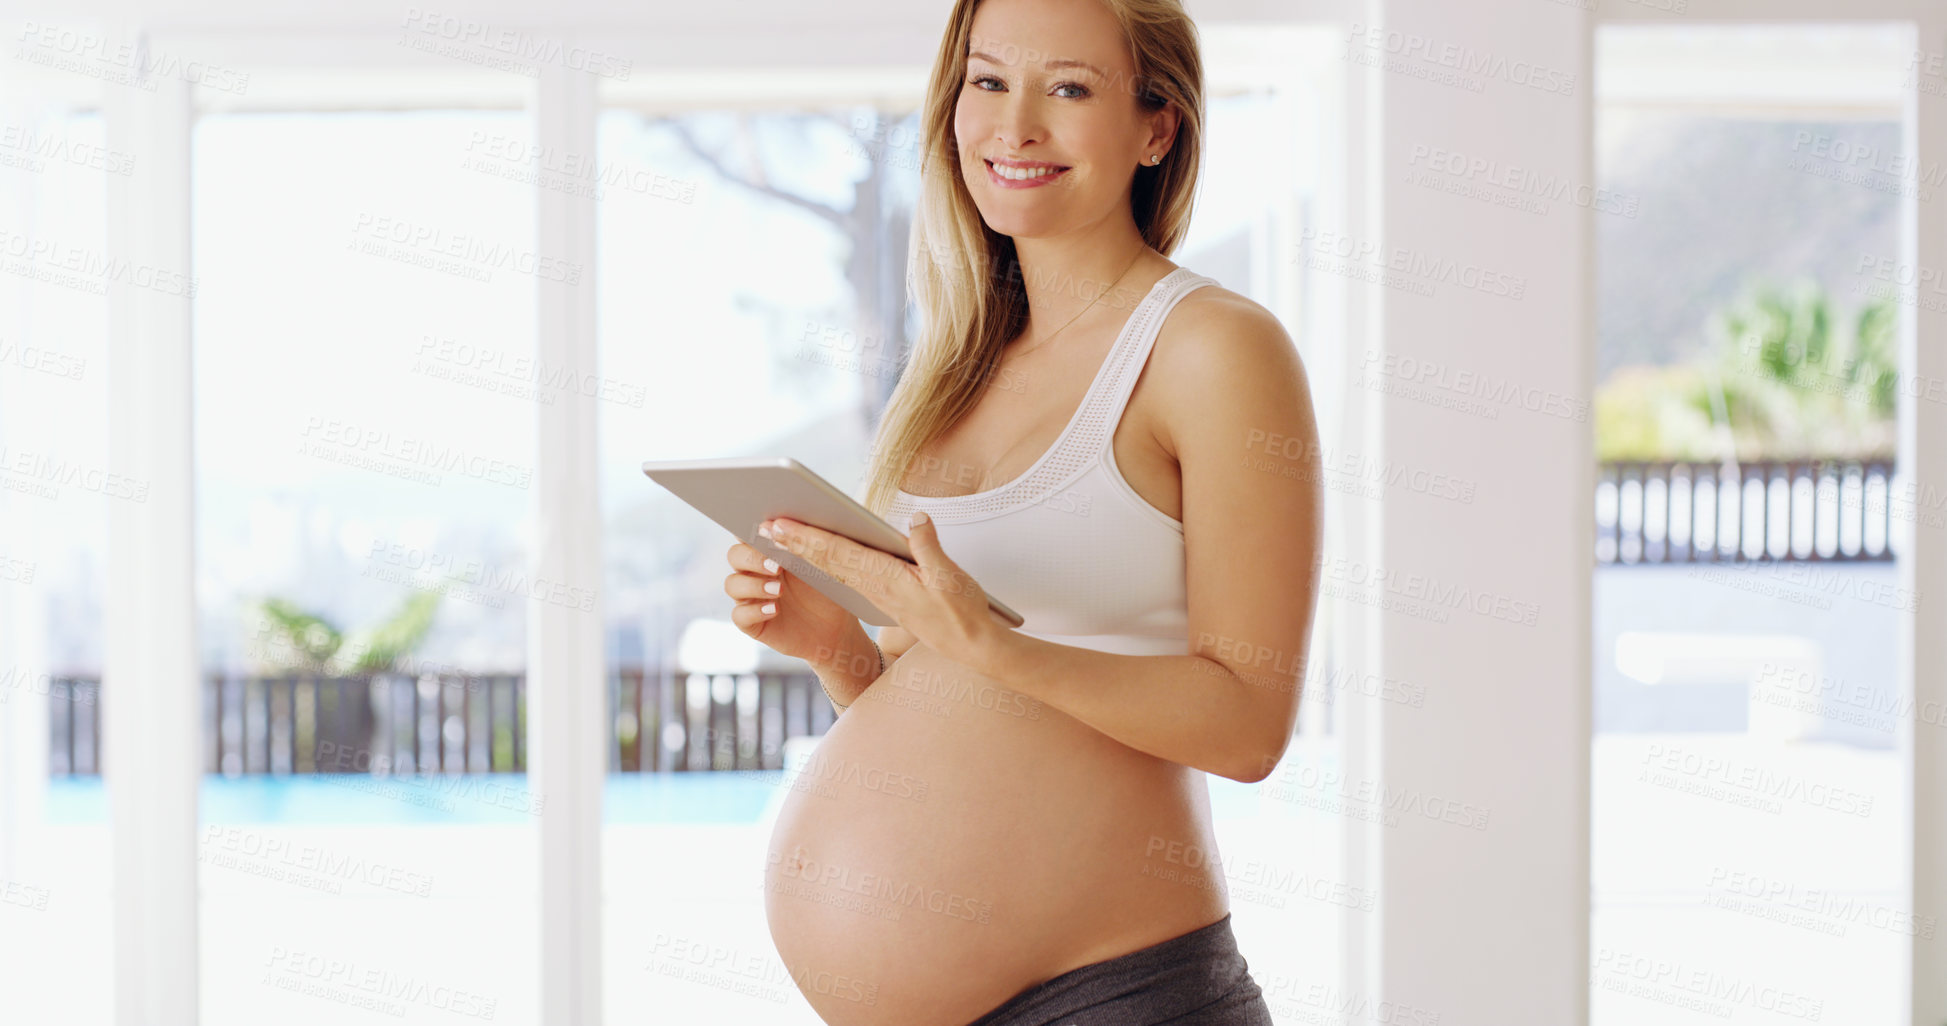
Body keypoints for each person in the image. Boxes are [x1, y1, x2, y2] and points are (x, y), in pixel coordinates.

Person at [722, 0, 1322, 1021]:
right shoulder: (953, 375)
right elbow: (966, 733)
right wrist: (838, 650)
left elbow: (1248, 725)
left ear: (1156, 127)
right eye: (989, 81)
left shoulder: (1213, 348)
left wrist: (993, 648)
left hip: (1120, 995)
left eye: (1071, 89)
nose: (1015, 127)